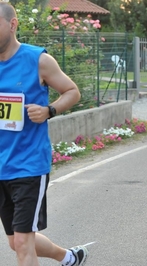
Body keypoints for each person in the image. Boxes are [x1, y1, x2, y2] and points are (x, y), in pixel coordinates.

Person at [0, 3, 87, 266]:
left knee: (23, 243)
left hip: (28, 165)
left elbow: (72, 91)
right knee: (15, 240)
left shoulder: (38, 60)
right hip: (1, 166)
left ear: (12, 24)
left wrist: (49, 110)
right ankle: (68, 257)